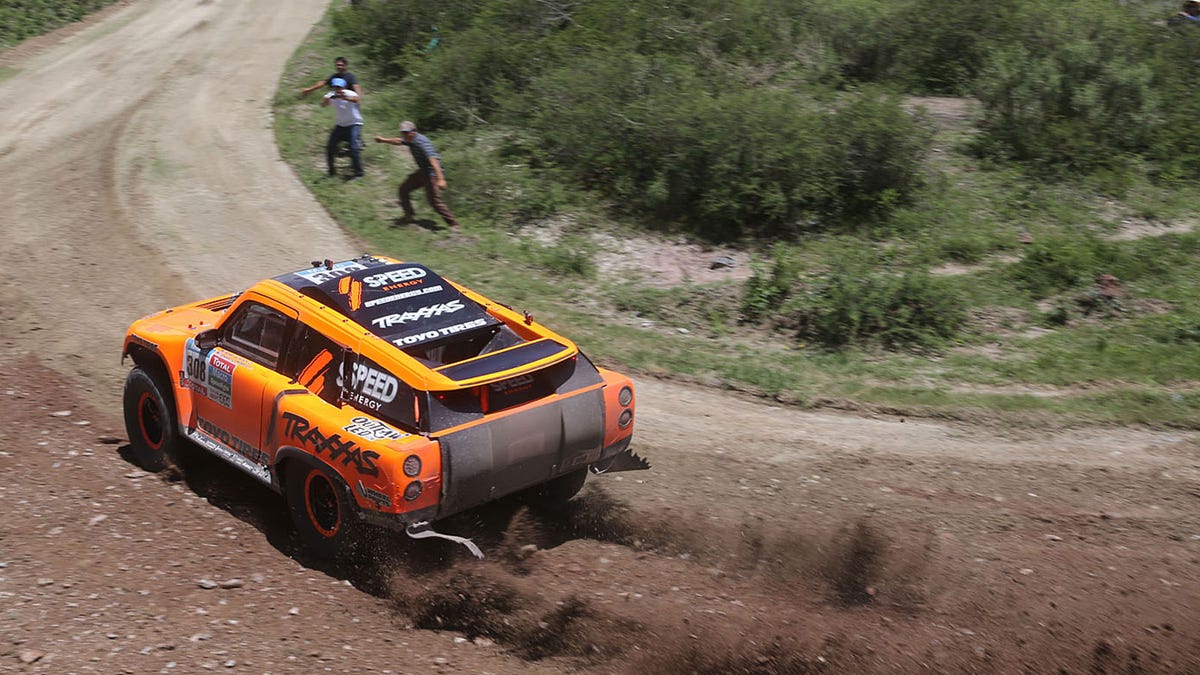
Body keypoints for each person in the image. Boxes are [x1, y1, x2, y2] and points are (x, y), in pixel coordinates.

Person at [374, 121, 460, 228]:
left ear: (414, 131)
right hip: (423, 172)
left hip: (431, 173)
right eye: (403, 133)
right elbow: (398, 141)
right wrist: (383, 140)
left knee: (434, 201)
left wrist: (441, 179)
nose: (404, 135)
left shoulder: (422, 142)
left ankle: (454, 224)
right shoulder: (410, 139)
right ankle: (408, 217)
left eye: (407, 132)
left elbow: (433, 160)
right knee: (403, 189)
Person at [321, 78, 364, 180]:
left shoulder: (349, 93)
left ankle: (359, 173)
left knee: (354, 148)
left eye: (339, 87)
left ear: (343, 87)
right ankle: (331, 171)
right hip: (340, 125)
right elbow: (323, 105)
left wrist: (346, 98)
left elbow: (357, 100)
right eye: (335, 87)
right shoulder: (331, 95)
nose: (337, 89)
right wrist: (326, 101)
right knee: (330, 147)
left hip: (354, 123)